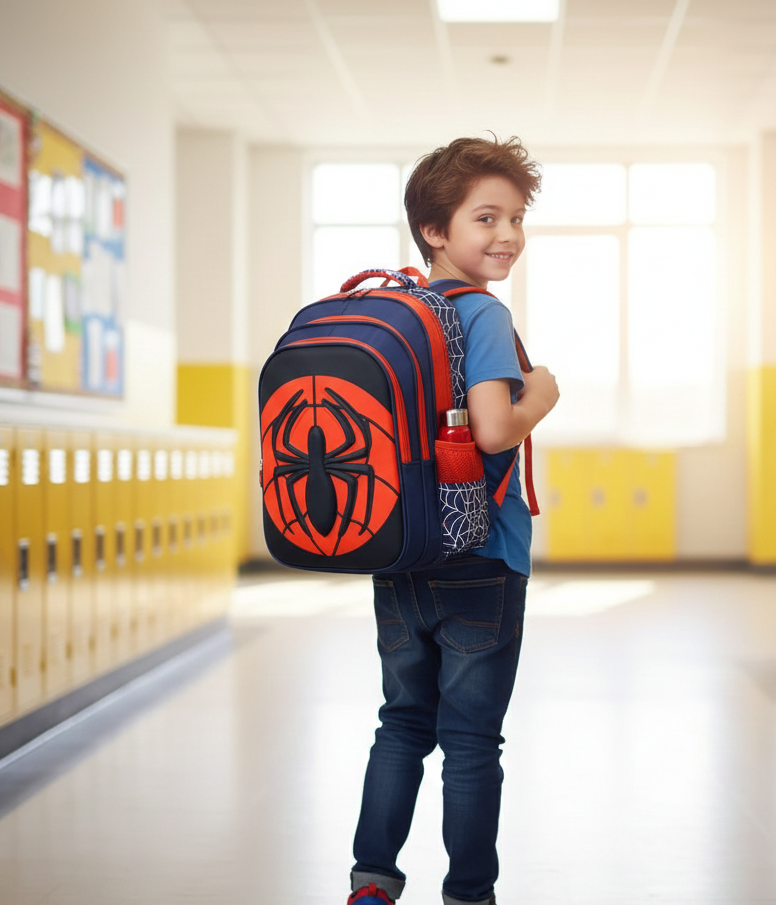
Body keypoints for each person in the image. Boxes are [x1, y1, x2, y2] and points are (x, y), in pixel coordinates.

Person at [348, 136, 560, 905]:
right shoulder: (482, 316)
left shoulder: (398, 309)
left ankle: (372, 880)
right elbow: (496, 428)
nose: (506, 234)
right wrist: (544, 391)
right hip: (482, 559)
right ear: (435, 230)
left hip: (401, 550)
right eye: (485, 217)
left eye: (516, 217)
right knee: (470, 739)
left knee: (401, 721)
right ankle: (469, 892)